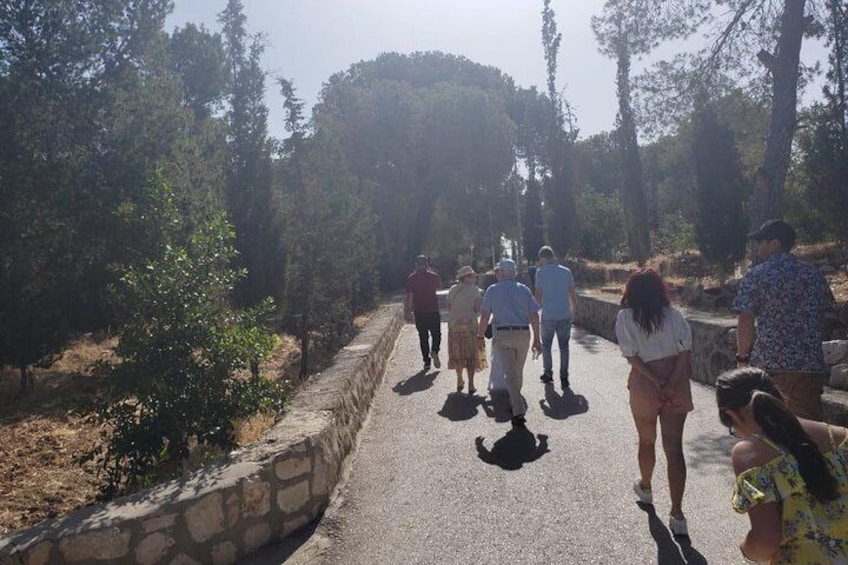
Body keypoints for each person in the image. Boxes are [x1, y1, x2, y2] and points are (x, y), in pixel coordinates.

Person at [716, 367, 848, 564]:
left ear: (733, 415)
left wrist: (747, 549)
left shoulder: (748, 454)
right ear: (779, 397)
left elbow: (766, 541)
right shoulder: (840, 437)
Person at [614, 268, 693, 536]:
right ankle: (678, 514)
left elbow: (631, 356)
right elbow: (685, 350)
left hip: (644, 384)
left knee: (646, 441)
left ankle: (646, 487)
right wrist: (671, 380)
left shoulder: (625, 317)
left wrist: (655, 380)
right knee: (675, 449)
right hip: (677, 381)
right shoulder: (674, 316)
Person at [733, 219, 837, 421]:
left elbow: (745, 318)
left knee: (770, 429)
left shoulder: (757, 276)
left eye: (762, 241)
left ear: (775, 244)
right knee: (808, 431)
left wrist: (742, 358)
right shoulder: (813, 274)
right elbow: (828, 314)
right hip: (808, 366)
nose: (758, 246)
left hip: (771, 365)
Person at [477, 258, 542, 428]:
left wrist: (479, 336)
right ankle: (516, 405)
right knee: (516, 371)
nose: (496, 274)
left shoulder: (493, 290)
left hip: (503, 335)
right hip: (523, 334)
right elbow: (534, 315)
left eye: (498, 271)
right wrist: (537, 339)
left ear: (503, 272)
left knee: (510, 373)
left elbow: (484, 316)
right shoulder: (524, 290)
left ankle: (517, 409)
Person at [534, 245, 578, 389]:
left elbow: (538, 295)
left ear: (542, 258)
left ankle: (548, 374)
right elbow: (572, 293)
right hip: (564, 315)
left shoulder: (540, 273)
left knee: (546, 346)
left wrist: (535, 312)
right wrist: (573, 311)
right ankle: (564, 377)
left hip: (548, 316)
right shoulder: (566, 272)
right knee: (564, 347)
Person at [447, 266, 487, 394]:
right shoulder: (474, 290)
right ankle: (471, 384)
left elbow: (448, 307)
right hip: (470, 326)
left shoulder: (452, 289)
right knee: (470, 355)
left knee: (458, 354)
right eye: (473, 276)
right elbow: (477, 309)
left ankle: (459, 379)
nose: (475, 278)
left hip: (454, 326)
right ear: (467, 277)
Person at [405, 255, 442, 371]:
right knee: (436, 334)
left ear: (416, 264)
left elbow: (409, 296)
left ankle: (426, 361)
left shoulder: (412, 278)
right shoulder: (433, 276)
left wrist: (407, 311)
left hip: (419, 312)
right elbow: (439, 287)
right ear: (427, 264)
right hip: (433, 310)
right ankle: (435, 351)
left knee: (423, 337)